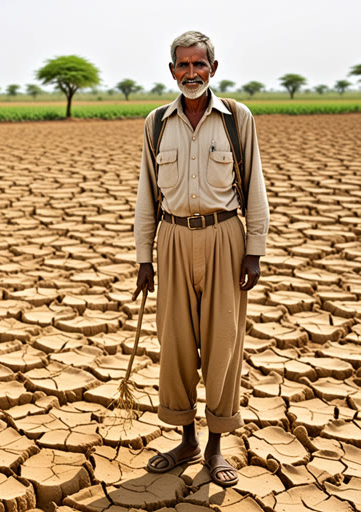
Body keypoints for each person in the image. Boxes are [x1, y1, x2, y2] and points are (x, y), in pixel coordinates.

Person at [133, 31, 269, 487]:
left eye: (200, 64)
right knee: (175, 345)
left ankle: (214, 446)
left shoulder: (237, 118)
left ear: (214, 68)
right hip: (171, 240)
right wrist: (144, 257)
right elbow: (146, 195)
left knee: (222, 346)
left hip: (224, 239)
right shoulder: (156, 123)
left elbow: (254, 186)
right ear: (171, 71)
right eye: (183, 65)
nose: (192, 73)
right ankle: (187, 438)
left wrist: (253, 252)